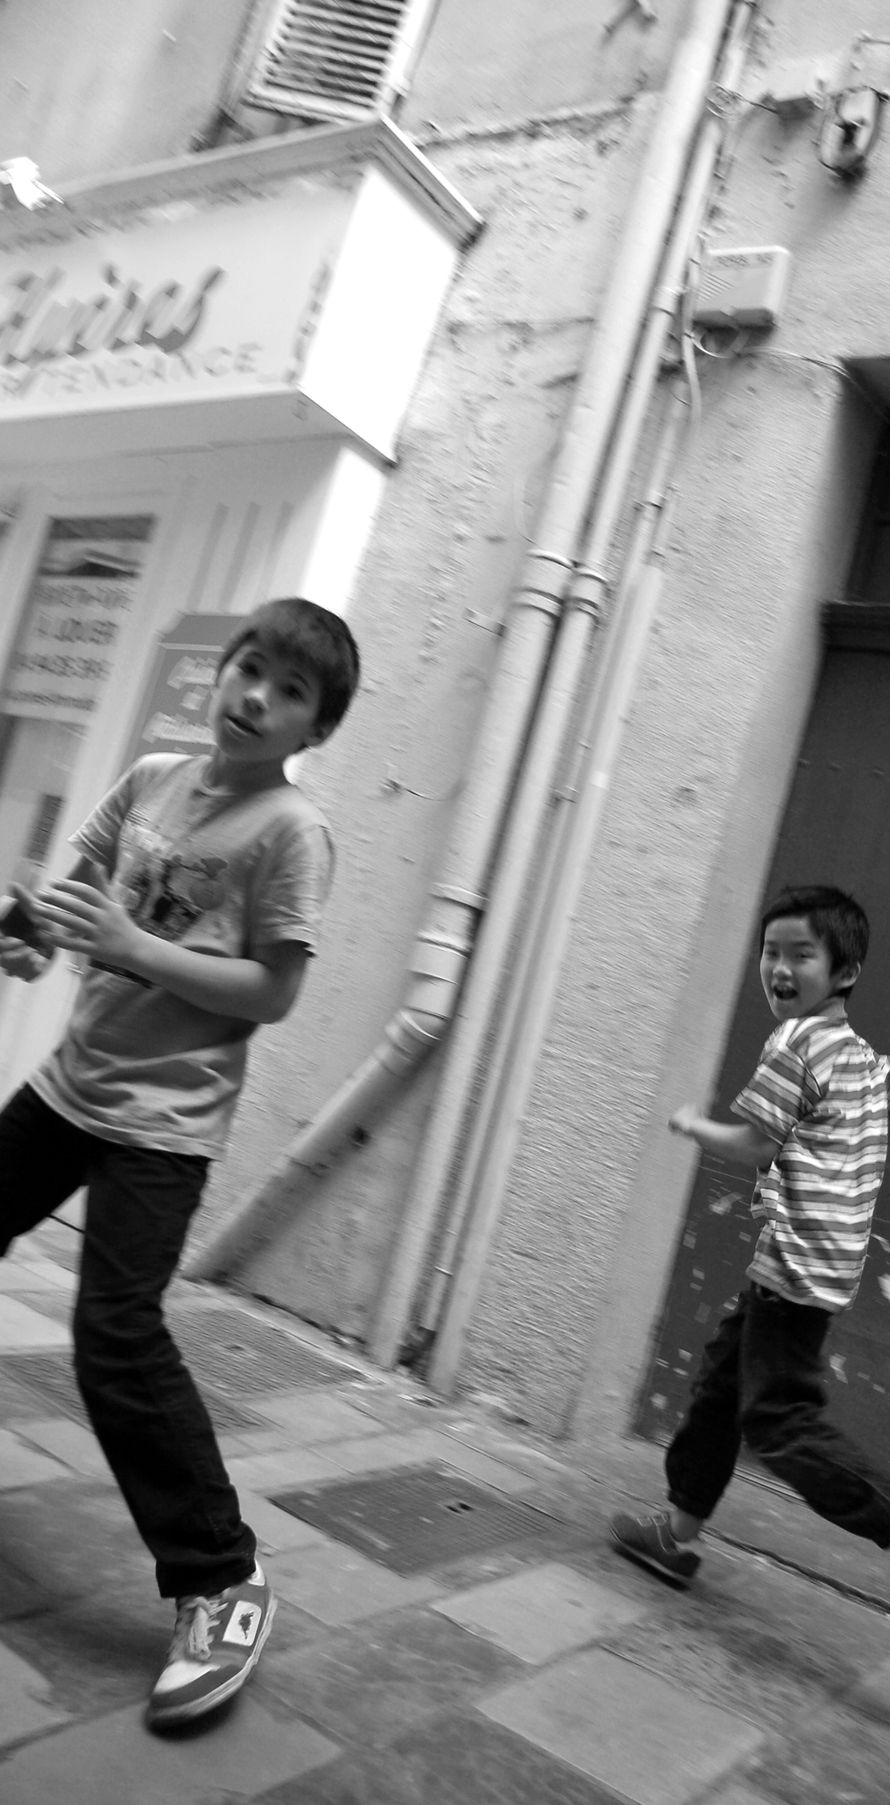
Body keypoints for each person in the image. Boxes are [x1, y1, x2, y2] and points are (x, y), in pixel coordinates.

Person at [0, 596, 359, 1729]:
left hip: (165, 1120)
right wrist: (31, 934)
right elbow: (80, 903)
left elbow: (276, 989)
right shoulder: (153, 777)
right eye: (250, 666)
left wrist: (134, 946)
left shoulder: (291, 830)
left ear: (314, 726)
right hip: (73, 1082)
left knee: (116, 1334)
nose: (256, 694)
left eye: (289, 689)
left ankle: (219, 1575)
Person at [610, 884, 890, 1670]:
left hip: (797, 1259)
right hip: (816, 1257)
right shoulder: (856, 1050)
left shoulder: (795, 1045)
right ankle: (675, 1536)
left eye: (799, 953)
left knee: (780, 1420)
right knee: (718, 1388)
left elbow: (748, 1140)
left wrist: (691, 1123)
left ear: (844, 970)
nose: (778, 966)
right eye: (770, 950)